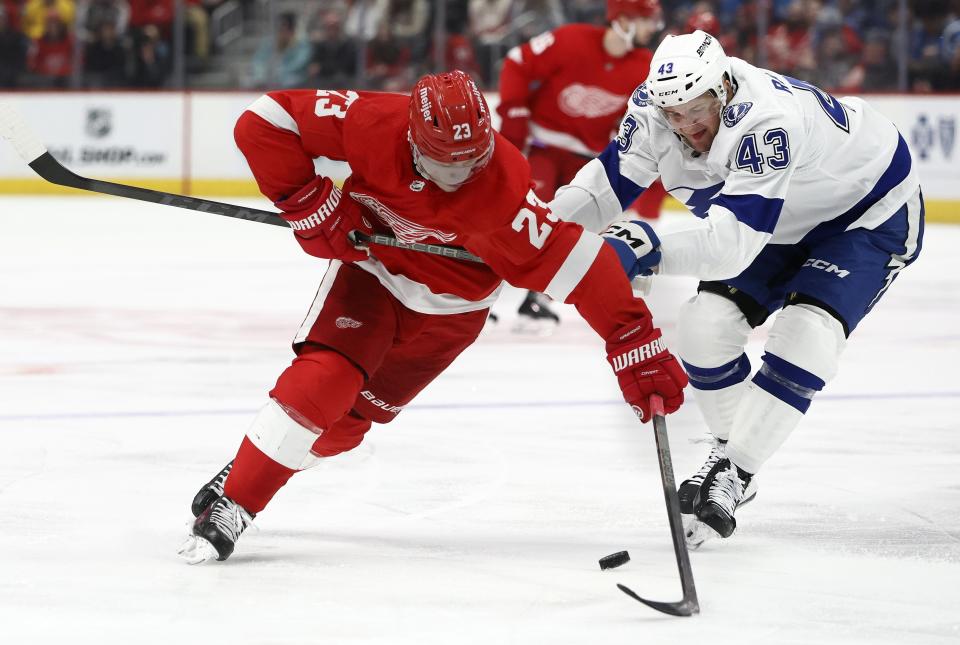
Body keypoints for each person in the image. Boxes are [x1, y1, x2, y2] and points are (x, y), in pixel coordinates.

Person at [178, 70, 689, 564]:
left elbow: (581, 265)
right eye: (445, 165)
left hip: (454, 312)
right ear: (414, 140)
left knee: (345, 429)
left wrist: (634, 342)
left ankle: (257, 463)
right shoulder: (375, 122)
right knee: (325, 381)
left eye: (472, 162)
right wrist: (309, 201)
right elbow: (266, 120)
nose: (459, 178)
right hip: (374, 273)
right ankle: (237, 501)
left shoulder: (504, 191)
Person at [552, 31, 924, 544]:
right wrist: (535, 238)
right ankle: (729, 455)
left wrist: (646, 246)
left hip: (863, 213)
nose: (686, 125)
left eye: (696, 108)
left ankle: (736, 470)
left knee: (807, 335)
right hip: (777, 215)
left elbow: (733, 245)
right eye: (673, 113)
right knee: (704, 329)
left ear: (723, 87)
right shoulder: (652, 110)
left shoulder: (766, 119)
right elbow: (605, 186)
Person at [496, 0, 668, 331]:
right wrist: (514, 111)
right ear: (623, 20)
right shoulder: (571, 39)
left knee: (574, 230)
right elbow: (518, 63)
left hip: (587, 160)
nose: (652, 28)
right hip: (542, 148)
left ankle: (538, 298)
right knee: (525, 220)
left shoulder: (644, 67)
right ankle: (478, 287)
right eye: (647, 19)